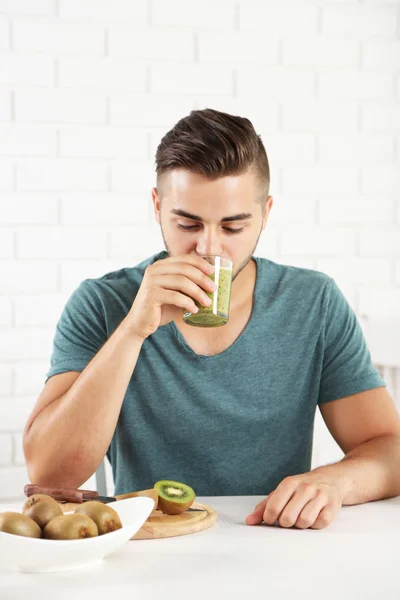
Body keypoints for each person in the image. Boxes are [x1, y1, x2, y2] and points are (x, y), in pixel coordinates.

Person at [23, 109, 400, 530]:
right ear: (157, 207)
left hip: (273, 543)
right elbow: (50, 475)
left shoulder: (314, 303)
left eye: (233, 228)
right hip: (148, 550)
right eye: (187, 223)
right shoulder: (103, 303)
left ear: (266, 213)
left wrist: (334, 482)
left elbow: (389, 447)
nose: (209, 248)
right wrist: (133, 331)